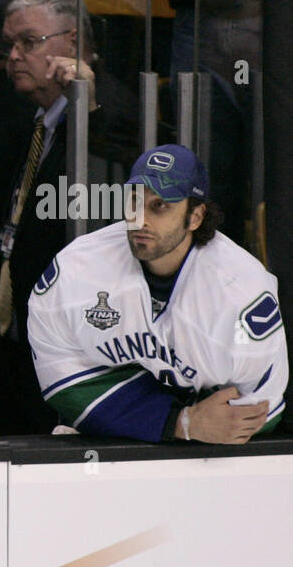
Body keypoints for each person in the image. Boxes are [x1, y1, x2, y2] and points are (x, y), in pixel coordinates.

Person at [28, 144, 287, 442]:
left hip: (213, 463)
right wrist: (182, 422)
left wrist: (146, 414)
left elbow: (261, 404)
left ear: (195, 217)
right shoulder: (77, 268)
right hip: (104, 451)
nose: (141, 219)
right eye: (135, 202)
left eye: (160, 206)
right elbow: (62, 382)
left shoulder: (241, 289)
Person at [0, 0, 99, 433]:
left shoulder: (110, 112)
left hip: (75, 344)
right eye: (9, 45)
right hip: (18, 340)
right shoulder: (33, 120)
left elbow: (110, 189)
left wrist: (88, 105)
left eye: (29, 42)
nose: (14, 56)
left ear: (71, 43)